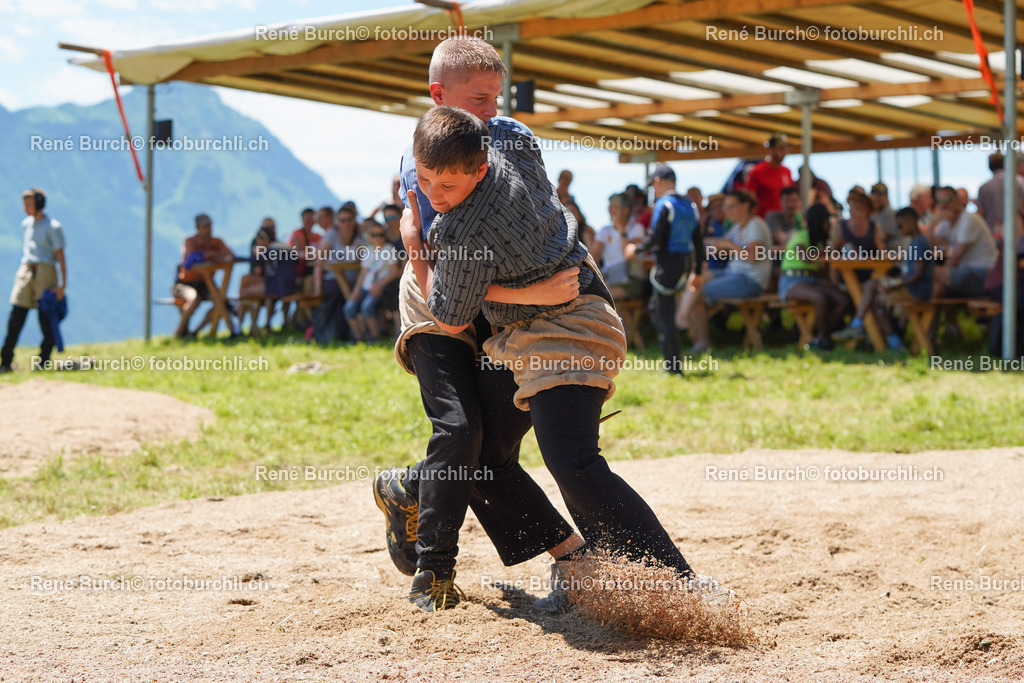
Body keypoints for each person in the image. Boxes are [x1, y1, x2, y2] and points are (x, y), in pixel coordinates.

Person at [405, 104, 705, 610]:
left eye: (447, 187)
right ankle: (577, 563)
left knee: (573, 461)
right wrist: (529, 293)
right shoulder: (511, 145)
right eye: (425, 179)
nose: (435, 196)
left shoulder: (452, 233)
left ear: (479, 168)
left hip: (570, 328)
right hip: (533, 330)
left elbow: (449, 317)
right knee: (479, 458)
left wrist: (414, 239)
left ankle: (682, 586)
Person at [374, 36, 590, 613]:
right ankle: (435, 573)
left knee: (492, 445)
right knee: (461, 433)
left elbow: (541, 210)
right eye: (479, 99)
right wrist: (534, 289)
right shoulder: (428, 162)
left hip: (497, 313)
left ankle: (412, 488)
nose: (492, 109)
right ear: (438, 96)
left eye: (497, 96)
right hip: (436, 302)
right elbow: (437, 272)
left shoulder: (511, 137)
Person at [627, 163, 701, 373]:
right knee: (656, 308)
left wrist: (635, 249)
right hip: (685, 261)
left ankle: (673, 365)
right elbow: (698, 240)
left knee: (664, 312)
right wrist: (699, 271)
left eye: (653, 186)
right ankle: (672, 353)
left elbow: (656, 237)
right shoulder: (690, 205)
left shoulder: (664, 204)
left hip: (668, 263)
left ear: (658, 182)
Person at [833, 207, 935, 350]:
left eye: (900, 226)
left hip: (917, 292)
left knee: (873, 289)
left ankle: (861, 325)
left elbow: (916, 275)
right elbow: (909, 273)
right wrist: (892, 282)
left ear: (911, 222)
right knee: (874, 291)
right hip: (915, 289)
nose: (899, 230)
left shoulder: (919, 244)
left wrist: (893, 285)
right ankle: (887, 337)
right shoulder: (916, 242)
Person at [687, 190, 772, 352]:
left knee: (697, 290)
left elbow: (753, 256)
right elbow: (720, 247)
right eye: (726, 208)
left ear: (745, 205)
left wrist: (729, 245)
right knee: (694, 280)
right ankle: (694, 334)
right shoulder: (738, 227)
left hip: (750, 280)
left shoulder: (755, 225)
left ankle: (702, 341)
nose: (727, 211)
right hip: (733, 275)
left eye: (731, 207)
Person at [1, 189, 67, 373]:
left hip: (46, 271)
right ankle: (5, 362)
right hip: (27, 270)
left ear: (39, 203)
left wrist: (62, 285)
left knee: (46, 319)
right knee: (16, 315)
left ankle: (43, 362)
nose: (25, 207)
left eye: (29, 203)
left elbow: (61, 256)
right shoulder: (26, 224)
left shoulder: (53, 227)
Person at [777, 203, 851, 350]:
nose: (829, 225)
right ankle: (824, 340)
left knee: (843, 299)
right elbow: (805, 257)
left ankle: (822, 336)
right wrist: (830, 249)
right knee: (819, 297)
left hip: (812, 281)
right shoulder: (801, 235)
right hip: (792, 281)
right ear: (821, 222)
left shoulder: (818, 242)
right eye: (827, 222)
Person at [172, 213, 234, 339]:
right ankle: (180, 331)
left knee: (221, 301)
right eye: (205, 226)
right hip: (184, 283)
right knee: (194, 299)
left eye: (210, 226)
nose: (208, 229)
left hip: (206, 283)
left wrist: (207, 255)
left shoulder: (216, 241)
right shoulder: (190, 241)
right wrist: (215, 255)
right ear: (198, 228)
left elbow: (229, 255)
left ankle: (196, 332)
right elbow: (193, 257)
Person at [931, 186, 997, 298]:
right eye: (939, 201)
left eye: (947, 200)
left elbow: (954, 260)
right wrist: (935, 221)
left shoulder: (969, 219)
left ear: (957, 200)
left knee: (928, 272)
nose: (943, 205)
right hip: (968, 272)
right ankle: (927, 315)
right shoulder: (947, 222)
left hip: (983, 274)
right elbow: (927, 243)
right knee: (937, 285)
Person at [310, 204, 363, 345]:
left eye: (349, 219)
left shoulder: (360, 235)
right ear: (337, 221)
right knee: (334, 294)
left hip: (355, 278)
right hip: (332, 277)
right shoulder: (331, 235)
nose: (346, 223)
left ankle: (355, 334)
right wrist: (317, 288)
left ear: (354, 220)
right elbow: (319, 262)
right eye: (342, 220)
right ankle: (331, 335)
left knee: (356, 296)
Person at [343, 220, 401, 342]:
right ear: (369, 236)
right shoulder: (367, 250)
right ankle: (358, 337)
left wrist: (380, 284)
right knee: (349, 308)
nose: (378, 237)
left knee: (366, 307)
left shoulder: (389, 249)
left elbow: (395, 271)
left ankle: (374, 337)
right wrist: (356, 290)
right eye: (374, 234)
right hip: (365, 287)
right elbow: (363, 273)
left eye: (381, 234)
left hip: (380, 287)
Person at [590, 193, 646, 302]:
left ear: (626, 210)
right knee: (594, 294)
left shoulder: (636, 228)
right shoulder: (605, 230)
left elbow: (628, 255)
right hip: (609, 278)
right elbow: (594, 256)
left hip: (630, 281)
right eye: (610, 207)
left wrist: (621, 229)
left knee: (601, 297)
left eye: (615, 207)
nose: (611, 210)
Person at [831, 191, 886, 283]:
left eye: (857, 209)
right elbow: (832, 252)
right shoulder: (840, 226)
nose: (852, 212)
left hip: (870, 273)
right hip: (846, 274)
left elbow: (882, 251)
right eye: (850, 208)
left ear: (867, 211)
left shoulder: (874, 227)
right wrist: (836, 246)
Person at [976, 153, 1024, 239]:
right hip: (1017, 232)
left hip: (992, 234)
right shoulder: (1019, 181)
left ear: (989, 167)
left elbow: (980, 214)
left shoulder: (984, 187)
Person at [745, 133, 793, 217]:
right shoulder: (757, 171)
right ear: (771, 149)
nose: (784, 152)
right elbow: (749, 198)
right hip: (764, 221)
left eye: (786, 148)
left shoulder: (787, 171)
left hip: (784, 222)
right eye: (781, 148)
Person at [869, 183, 900, 248]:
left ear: (886, 197)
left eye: (879, 195)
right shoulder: (872, 216)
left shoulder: (892, 214)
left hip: (897, 253)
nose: (876, 198)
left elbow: (882, 236)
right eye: (874, 195)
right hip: (883, 254)